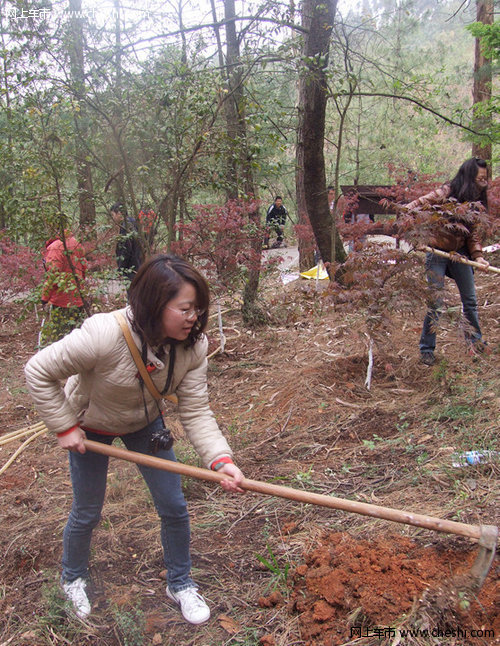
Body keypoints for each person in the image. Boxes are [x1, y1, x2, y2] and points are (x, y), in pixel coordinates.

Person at [25, 254, 245, 625]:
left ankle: (180, 583)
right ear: (154, 304)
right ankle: (72, 578)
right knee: (87, 510)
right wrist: (64, 426)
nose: (194, 318)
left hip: (145, 424)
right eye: (185, 308)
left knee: (173, 506)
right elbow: (38, 370)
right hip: (90, 426)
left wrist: (220, 459)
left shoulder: (193, 346)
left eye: (198, 309)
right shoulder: (103, 334)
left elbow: (195, 410)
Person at [405, 157, 490, 365]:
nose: (484, 181)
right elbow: (414, 206)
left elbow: (472, 234)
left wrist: (478, 256)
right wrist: (416, 233)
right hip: (436, 252)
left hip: (460, 253)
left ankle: (475, 342)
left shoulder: (476, 201)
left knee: (469, 300)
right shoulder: (447, 191)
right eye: (480, 178)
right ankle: (427, 349)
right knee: (436, 302)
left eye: (486, 178)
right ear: (469, 176)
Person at [40, 229, 87, 347]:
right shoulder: (75, 243)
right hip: (78, 298)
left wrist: (45, 298)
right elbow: (84, 267)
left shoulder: (55, 247)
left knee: (61, 339)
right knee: (77, 336)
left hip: (61, 301)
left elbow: (53, 275)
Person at [110, 202, 143, 281]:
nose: (113, 218)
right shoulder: (133, 222)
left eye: (113, 215)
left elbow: (125, 250)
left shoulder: (126, 227)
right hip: (138, 264)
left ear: (119, 213)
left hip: (131, 267)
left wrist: (121, 268)